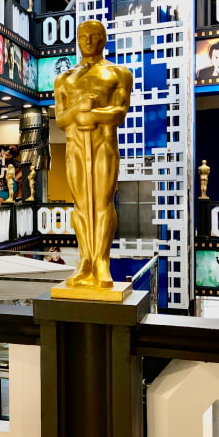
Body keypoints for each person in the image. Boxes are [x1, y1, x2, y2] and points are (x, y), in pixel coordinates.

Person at [54, 19, 133, 289]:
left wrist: (93, 114)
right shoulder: (64, 78)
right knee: (81, 206)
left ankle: (101, 262)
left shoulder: (119, 73)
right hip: (75, 147)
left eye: (94, 35)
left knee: (102, 204)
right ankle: (85, 260)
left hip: (103, 145)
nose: (88, 41)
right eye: (83, 36)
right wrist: (78, 109)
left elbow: (119, 112)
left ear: (103, 39)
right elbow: (61, 119)